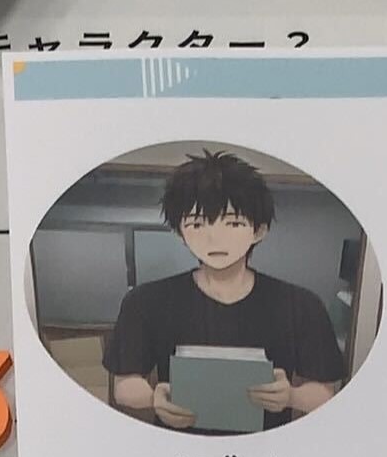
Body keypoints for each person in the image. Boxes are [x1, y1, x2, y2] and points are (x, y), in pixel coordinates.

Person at [103, 150, 346, 431]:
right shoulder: (146, 301)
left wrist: (292, 396)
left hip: (266, 450)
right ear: (180, 233)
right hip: (179, 448)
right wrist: (153, 398)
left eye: (233, 222)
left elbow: (325, 392)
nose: (215, 237)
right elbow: (124, 385)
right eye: (197, 224)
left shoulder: (301, 305)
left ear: (259, 230)